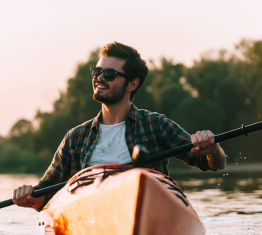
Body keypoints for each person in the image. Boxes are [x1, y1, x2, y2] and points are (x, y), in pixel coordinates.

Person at [13, 41, 226, 210]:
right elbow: (44, 195)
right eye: (96, 71)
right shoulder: (75, 137)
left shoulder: (156, 125)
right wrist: (29, 197)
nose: (99, 78)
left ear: (132, 84)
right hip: (91, 221)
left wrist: (213, 149)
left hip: (149, 215)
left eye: (109, 74)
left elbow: (212, 163)